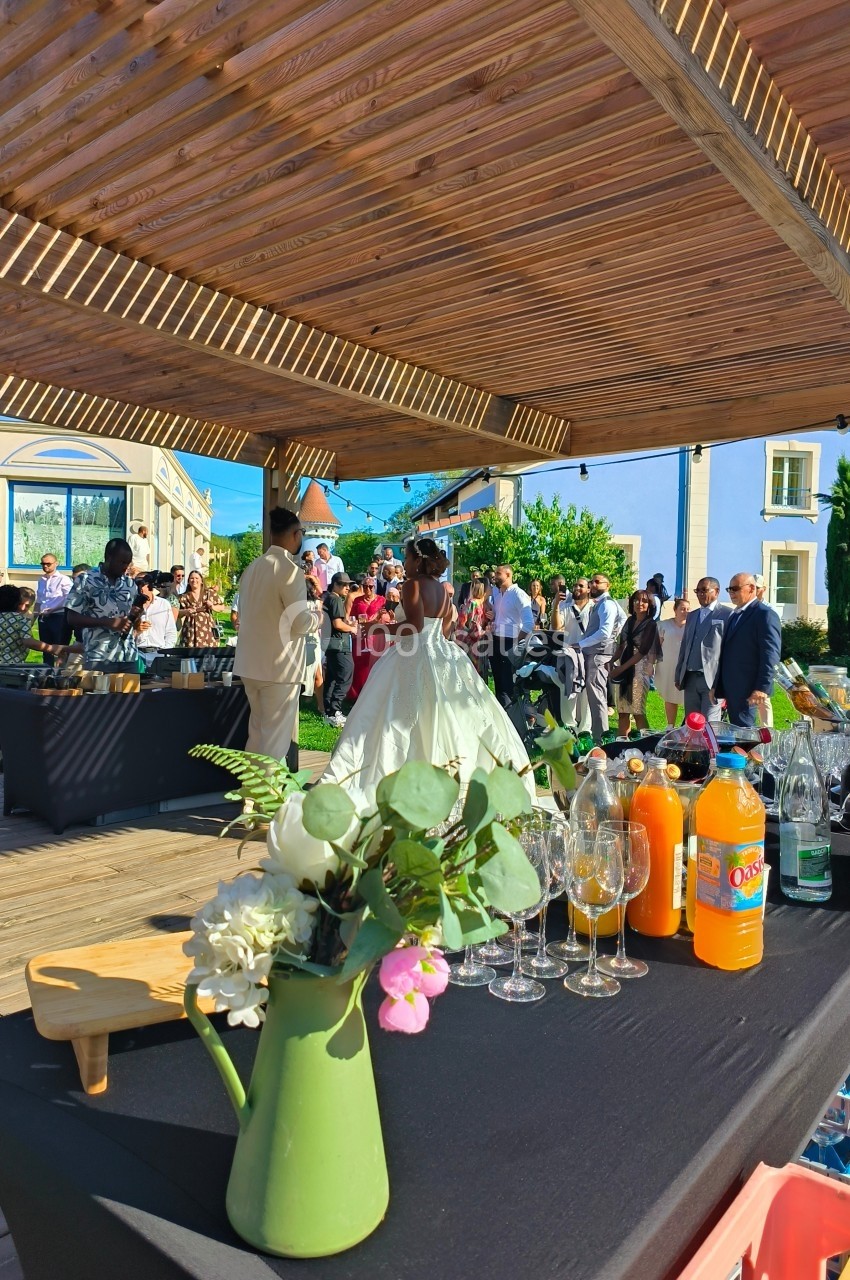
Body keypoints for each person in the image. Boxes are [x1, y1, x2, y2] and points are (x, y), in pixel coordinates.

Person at [321, 537, 536, 808]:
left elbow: (412, 625)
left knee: (396, 716)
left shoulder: (412, 585)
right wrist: (434, 637)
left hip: (411, 654)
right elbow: (450, 621)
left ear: (419, 560)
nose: (404, 563)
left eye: (408, 558)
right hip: (442, 653)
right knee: (447, 715)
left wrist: (378, 629)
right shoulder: (439, 588)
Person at [233, 506, 318, 759]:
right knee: (274, 743)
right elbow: (300, 623)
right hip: (280, 668)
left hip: (250, 665)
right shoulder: (290, 571)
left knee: (257, 734)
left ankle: (251, 794)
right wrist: (317, 617)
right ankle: (265, 798)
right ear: (295, 535)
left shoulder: (252, 569)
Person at [715, 572, 782, 727]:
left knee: (745, 735)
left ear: (751, 588)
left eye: (735, 589)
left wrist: (762, 687)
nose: (731, 593)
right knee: (737, 733)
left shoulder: (764, 614)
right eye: (729, 589)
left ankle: (751, 752)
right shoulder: (735, 615)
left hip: (749, 688)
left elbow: (770, 654)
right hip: (733, 687)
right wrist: (718, 686)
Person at [65, 539, 140, 666]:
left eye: (128, 563)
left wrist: (136, 616)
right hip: (99, 656)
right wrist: (108, 622)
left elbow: (134, 622)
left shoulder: (130, 584)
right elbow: (71, 618)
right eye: (122, 562)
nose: (126, 567)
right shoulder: (86, 580)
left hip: (128, 656)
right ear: (109, 558)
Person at [674, 577, 731, 723]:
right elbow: (685, 646)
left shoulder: (727, 614)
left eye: (704, 590)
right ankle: (694, 746)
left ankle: (710, 747)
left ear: (716, 592)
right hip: (691, 677)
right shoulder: (692, 615)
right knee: (692, 723)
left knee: (710, 724)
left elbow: (729, 649)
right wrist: (679, 673)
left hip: (713, 679)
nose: (699, 594)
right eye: (697, 591)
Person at [576, 573, 623, 742]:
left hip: (598, 656)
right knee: (596, 698)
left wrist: (581, 644)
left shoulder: (607, 604)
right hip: (597, 654)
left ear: (607, 585)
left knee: (597, 699)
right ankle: (600, 738)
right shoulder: (604, 604)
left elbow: (604, 632)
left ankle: (601, 740)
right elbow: (622, 619)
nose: (593, 585)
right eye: (591, 582)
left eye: (597, 582)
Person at [611, 589, 660, 737]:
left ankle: (646, 743)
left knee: (638, 711)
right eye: (637, 600)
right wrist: (611, 662)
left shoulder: (650, 624)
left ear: (650, 605)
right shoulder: (629, 620)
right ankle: (621, 745)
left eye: (644, 601)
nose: (640, 603)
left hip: (639, 669)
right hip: (625, 664)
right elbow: (621, 646)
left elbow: (642, 652)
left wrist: (620, 669)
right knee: (623, 711)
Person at [488, 565, 534, 706]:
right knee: (498, 683)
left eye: (498, 573)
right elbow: (502, 615)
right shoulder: (497, 594)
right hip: (495, 641)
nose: (494, 576)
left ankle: (514, 719)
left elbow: (529, 623)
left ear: (508, 575)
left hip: (510, 643)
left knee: (509, 684)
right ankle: (502, 718)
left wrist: (515, 642)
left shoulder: (519, 594)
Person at [0, 585, 75, 664]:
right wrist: (53, 648)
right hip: (9, 666)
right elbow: (29, 642)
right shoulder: (19, 620)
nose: (22, 608)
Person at [323, 572, 360, 727]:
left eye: (348, 585)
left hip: (329, 645)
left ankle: (329, 712)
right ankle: (336, 710)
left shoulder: (328, 598)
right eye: (344, 585)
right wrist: (352, 629)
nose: (347, 588)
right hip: (339, 644)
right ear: (335, 585)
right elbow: (337, 624)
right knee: (345, 675)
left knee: (332, 679)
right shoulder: (336, 599)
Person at [560, 577, 593, 732]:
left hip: (588, 654)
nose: (577, 588)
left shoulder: (595, 607)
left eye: (581, 585)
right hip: (570, 654)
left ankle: (585, 729)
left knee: (587, 692)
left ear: (588, 589)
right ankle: (569, 726)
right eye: (575, 585)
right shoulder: (566, 607)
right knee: (568, 690)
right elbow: (556, 626)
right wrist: (555, 605)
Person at [655, 597, 690, 727]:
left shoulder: (691, 626)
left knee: (687, 696)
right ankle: (670, 725)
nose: (685, 611)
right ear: (675, 610)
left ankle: (688, 725)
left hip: (685, 665)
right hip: (667, 665)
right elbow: (657, 646)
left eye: (687, 609)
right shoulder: (663, 625)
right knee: (669, 694)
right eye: (682, 609)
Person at [348, 575, 384, 700]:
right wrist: (353, 625)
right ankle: (356, 694)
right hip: (361, 634)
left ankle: (373, 693)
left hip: (375, 635)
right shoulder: (357, 601)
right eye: (365, 586)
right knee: (359, 663)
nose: (368, 589)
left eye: (370, 587)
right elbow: (352, 617)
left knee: (374, 664)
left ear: (374, 587)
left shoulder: (381, 600)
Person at [34, 553, 72, 666]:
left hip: (58, 616)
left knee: (59, 647)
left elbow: (69, 599)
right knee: (45, 648)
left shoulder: (63, 579)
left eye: (48, 564)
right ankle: (47, 672)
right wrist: (33, 618)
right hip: (43, 617)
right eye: (43, 564)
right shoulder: (41, 580)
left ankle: (60, 672)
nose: (45, 566)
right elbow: (39, 600)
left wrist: (52, 609)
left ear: (56, 564)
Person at [752, 574, 778, 727]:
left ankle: (767, 730)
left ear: (764, 589)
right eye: (752, 587)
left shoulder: (769, 610)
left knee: (764, 696)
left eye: (757, 588)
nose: (754, 591)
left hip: (763, 660)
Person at [134, 574, 177, 664]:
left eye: (142, 584)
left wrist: (165, 654)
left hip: (158, 654)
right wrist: (136, 630)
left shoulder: (163, 604)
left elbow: (171, 631)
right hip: (137, 654)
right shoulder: (131, 605)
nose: (140, 588)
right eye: (137, 584)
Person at [455, 579, 488, 676]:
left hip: (479, 640)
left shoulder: (482, 604)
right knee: (472, 670)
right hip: (472, 641)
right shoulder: (473, 603)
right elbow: (464, 622)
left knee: (478, 669)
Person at [303, 576, 325, 717]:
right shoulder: (295, 602)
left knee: (317, 671)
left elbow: (320, 622)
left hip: (311, 638)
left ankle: (321, 705)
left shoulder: (317, 602)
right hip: (300, 638)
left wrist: (311, 578)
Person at [176, 571, 217, 647]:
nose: (194, 580)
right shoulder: (183, 597)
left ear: (201, 581)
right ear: (188, 581)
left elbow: (221, 607)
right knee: (189, 654)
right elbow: (177, 613)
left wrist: (212, 606)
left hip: (207, 628)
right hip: (190, 629)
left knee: (207, 654)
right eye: (192, 578)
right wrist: (185, 611)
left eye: (196, 578)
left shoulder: (209, 593)